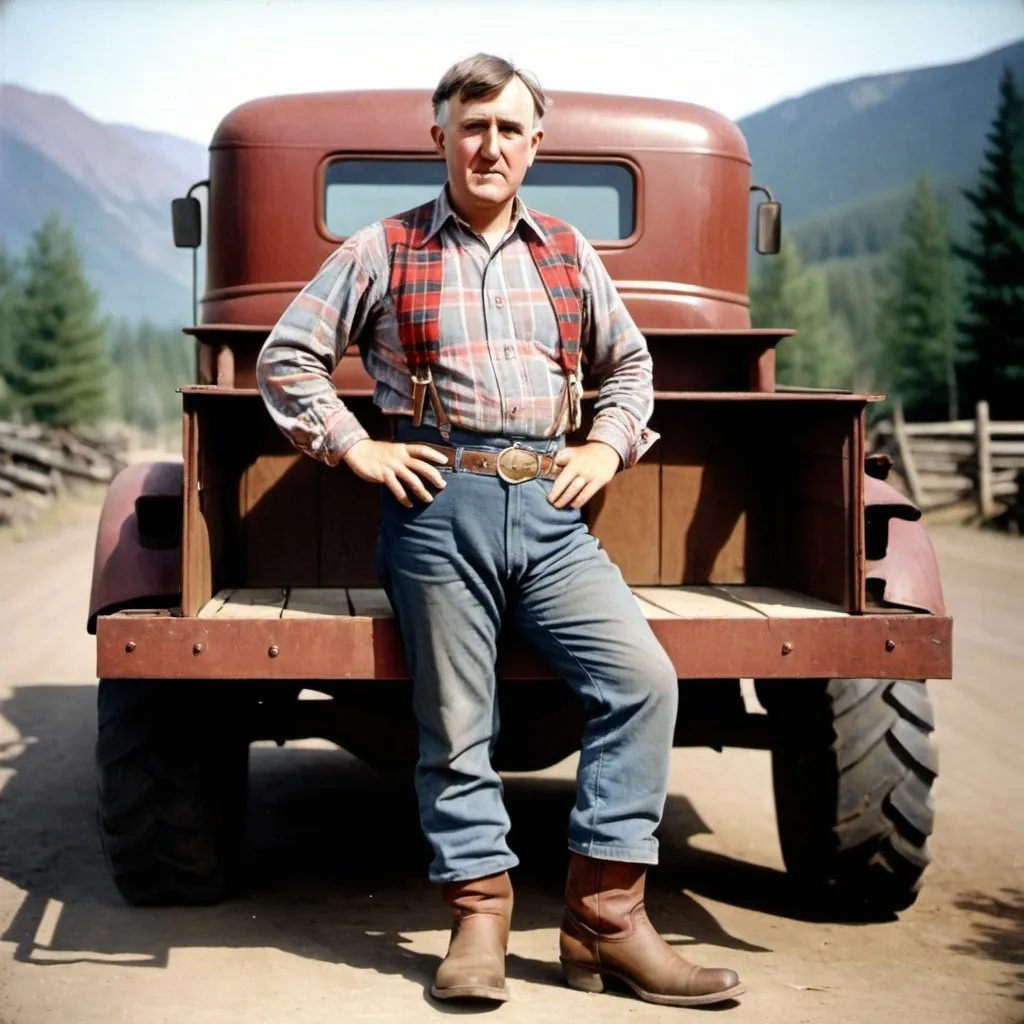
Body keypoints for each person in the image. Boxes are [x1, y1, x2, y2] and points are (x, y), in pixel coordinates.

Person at [256, 53, 744, 1009]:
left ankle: (606, 920)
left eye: (509, 129)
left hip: (555, 514)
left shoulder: (565, 249)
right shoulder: (383, 248)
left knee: (642, 681)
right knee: (456, 724)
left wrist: (606, 449)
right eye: (472, 127)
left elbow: (632, 367)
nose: (490, 146)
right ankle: (478, 920)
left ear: (535, 145)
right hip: (440, 511)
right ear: (438, 136)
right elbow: (288, 359)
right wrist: (358, 450)